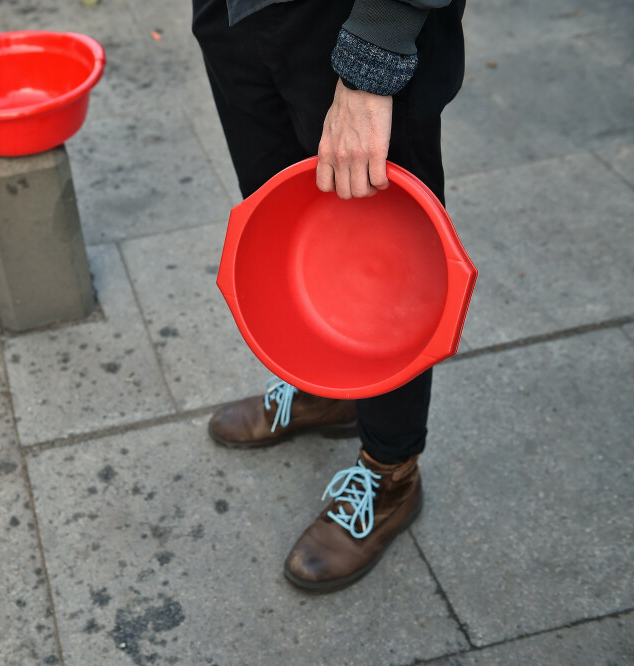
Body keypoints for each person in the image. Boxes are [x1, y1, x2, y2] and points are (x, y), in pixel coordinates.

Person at [192, 0, 465, 591]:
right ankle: (327, 392)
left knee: (384, 261)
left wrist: (376, 51)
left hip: (352, 16)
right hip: (235, 12)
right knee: (280, 219)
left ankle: (391, 473)